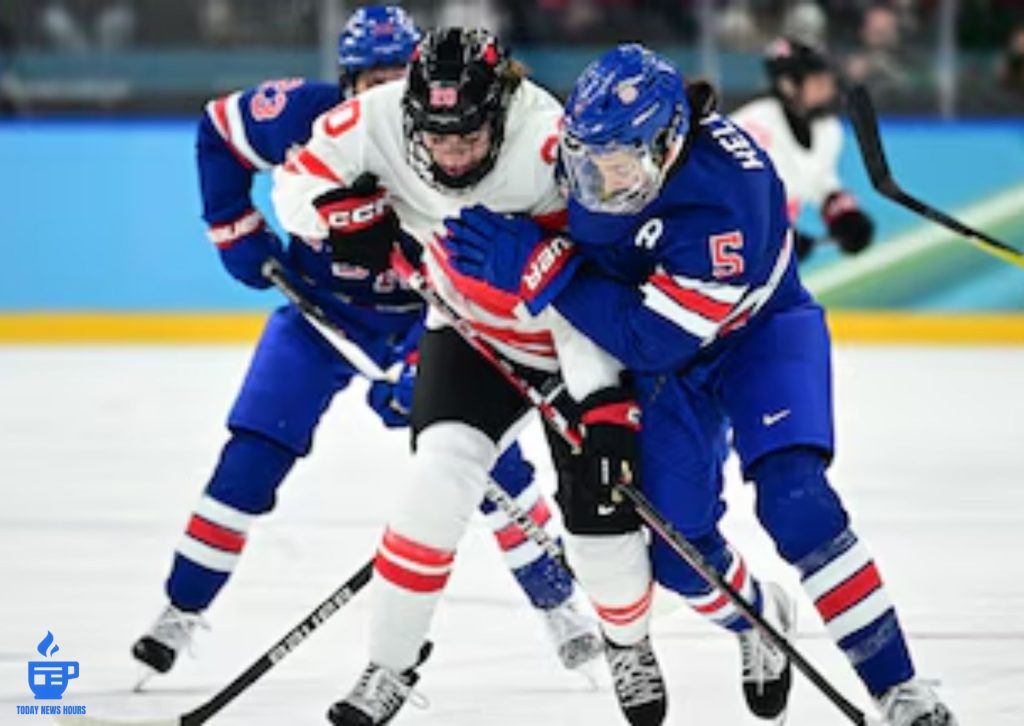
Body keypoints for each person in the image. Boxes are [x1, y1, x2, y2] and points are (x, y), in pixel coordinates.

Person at [445, 44, 959, 726]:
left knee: (797, 502)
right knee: (679, 554)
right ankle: (759, 618)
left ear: (667, 143)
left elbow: (648, 339)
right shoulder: (595, 151)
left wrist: (546, 271)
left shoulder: (727, 202)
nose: (597, 181)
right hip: (668, 351)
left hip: (757, 337)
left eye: (618, 162)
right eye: (587, 158)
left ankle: (901, 692)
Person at [131, 7, 600, 685]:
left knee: (484, 461)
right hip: (320, 315)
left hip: (425, 317)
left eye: (394, 76)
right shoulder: (322, 119)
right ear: (346, 79)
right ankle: (181, 608)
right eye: (368, 78)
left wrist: (429, 365)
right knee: (252, 453)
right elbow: (219, 131)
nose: (381, 89)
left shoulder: (458, 137)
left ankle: (559, 605)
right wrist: (234, 230)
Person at [271, 26, 626, 725]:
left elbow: (595, 278)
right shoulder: (376, 116)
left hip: (566, 337)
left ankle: (641, 640)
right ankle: (389, 665)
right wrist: (336, 216)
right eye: (437, 136)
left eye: (468, 134)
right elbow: (291, 185)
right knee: (435, 482)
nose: (453, 152)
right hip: (467, 329)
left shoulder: (550, 142)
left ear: (501, 109)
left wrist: (602, 397)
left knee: (606, 526)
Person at [731, 37, 875, 261]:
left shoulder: (828, 130)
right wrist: (774, 234)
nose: (828, 87)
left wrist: (845, 216)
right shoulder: (751, 125)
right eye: (818, 79)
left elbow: (820, 181)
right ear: (788, 84)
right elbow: (727, 193)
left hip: (758, 257)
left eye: (828, 78)